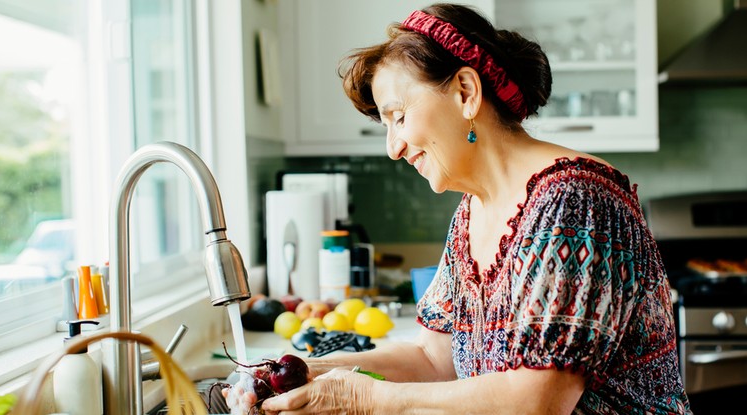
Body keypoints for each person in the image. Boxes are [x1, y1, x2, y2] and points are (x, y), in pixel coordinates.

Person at [256, 3, 691, 414]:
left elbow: (536, 399)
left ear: (465, 91)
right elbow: (432, 356)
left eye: (399, 116)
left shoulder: (575, 202)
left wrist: (368, 399)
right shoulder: (472, 213)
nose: (394, 147)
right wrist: (307, 373)